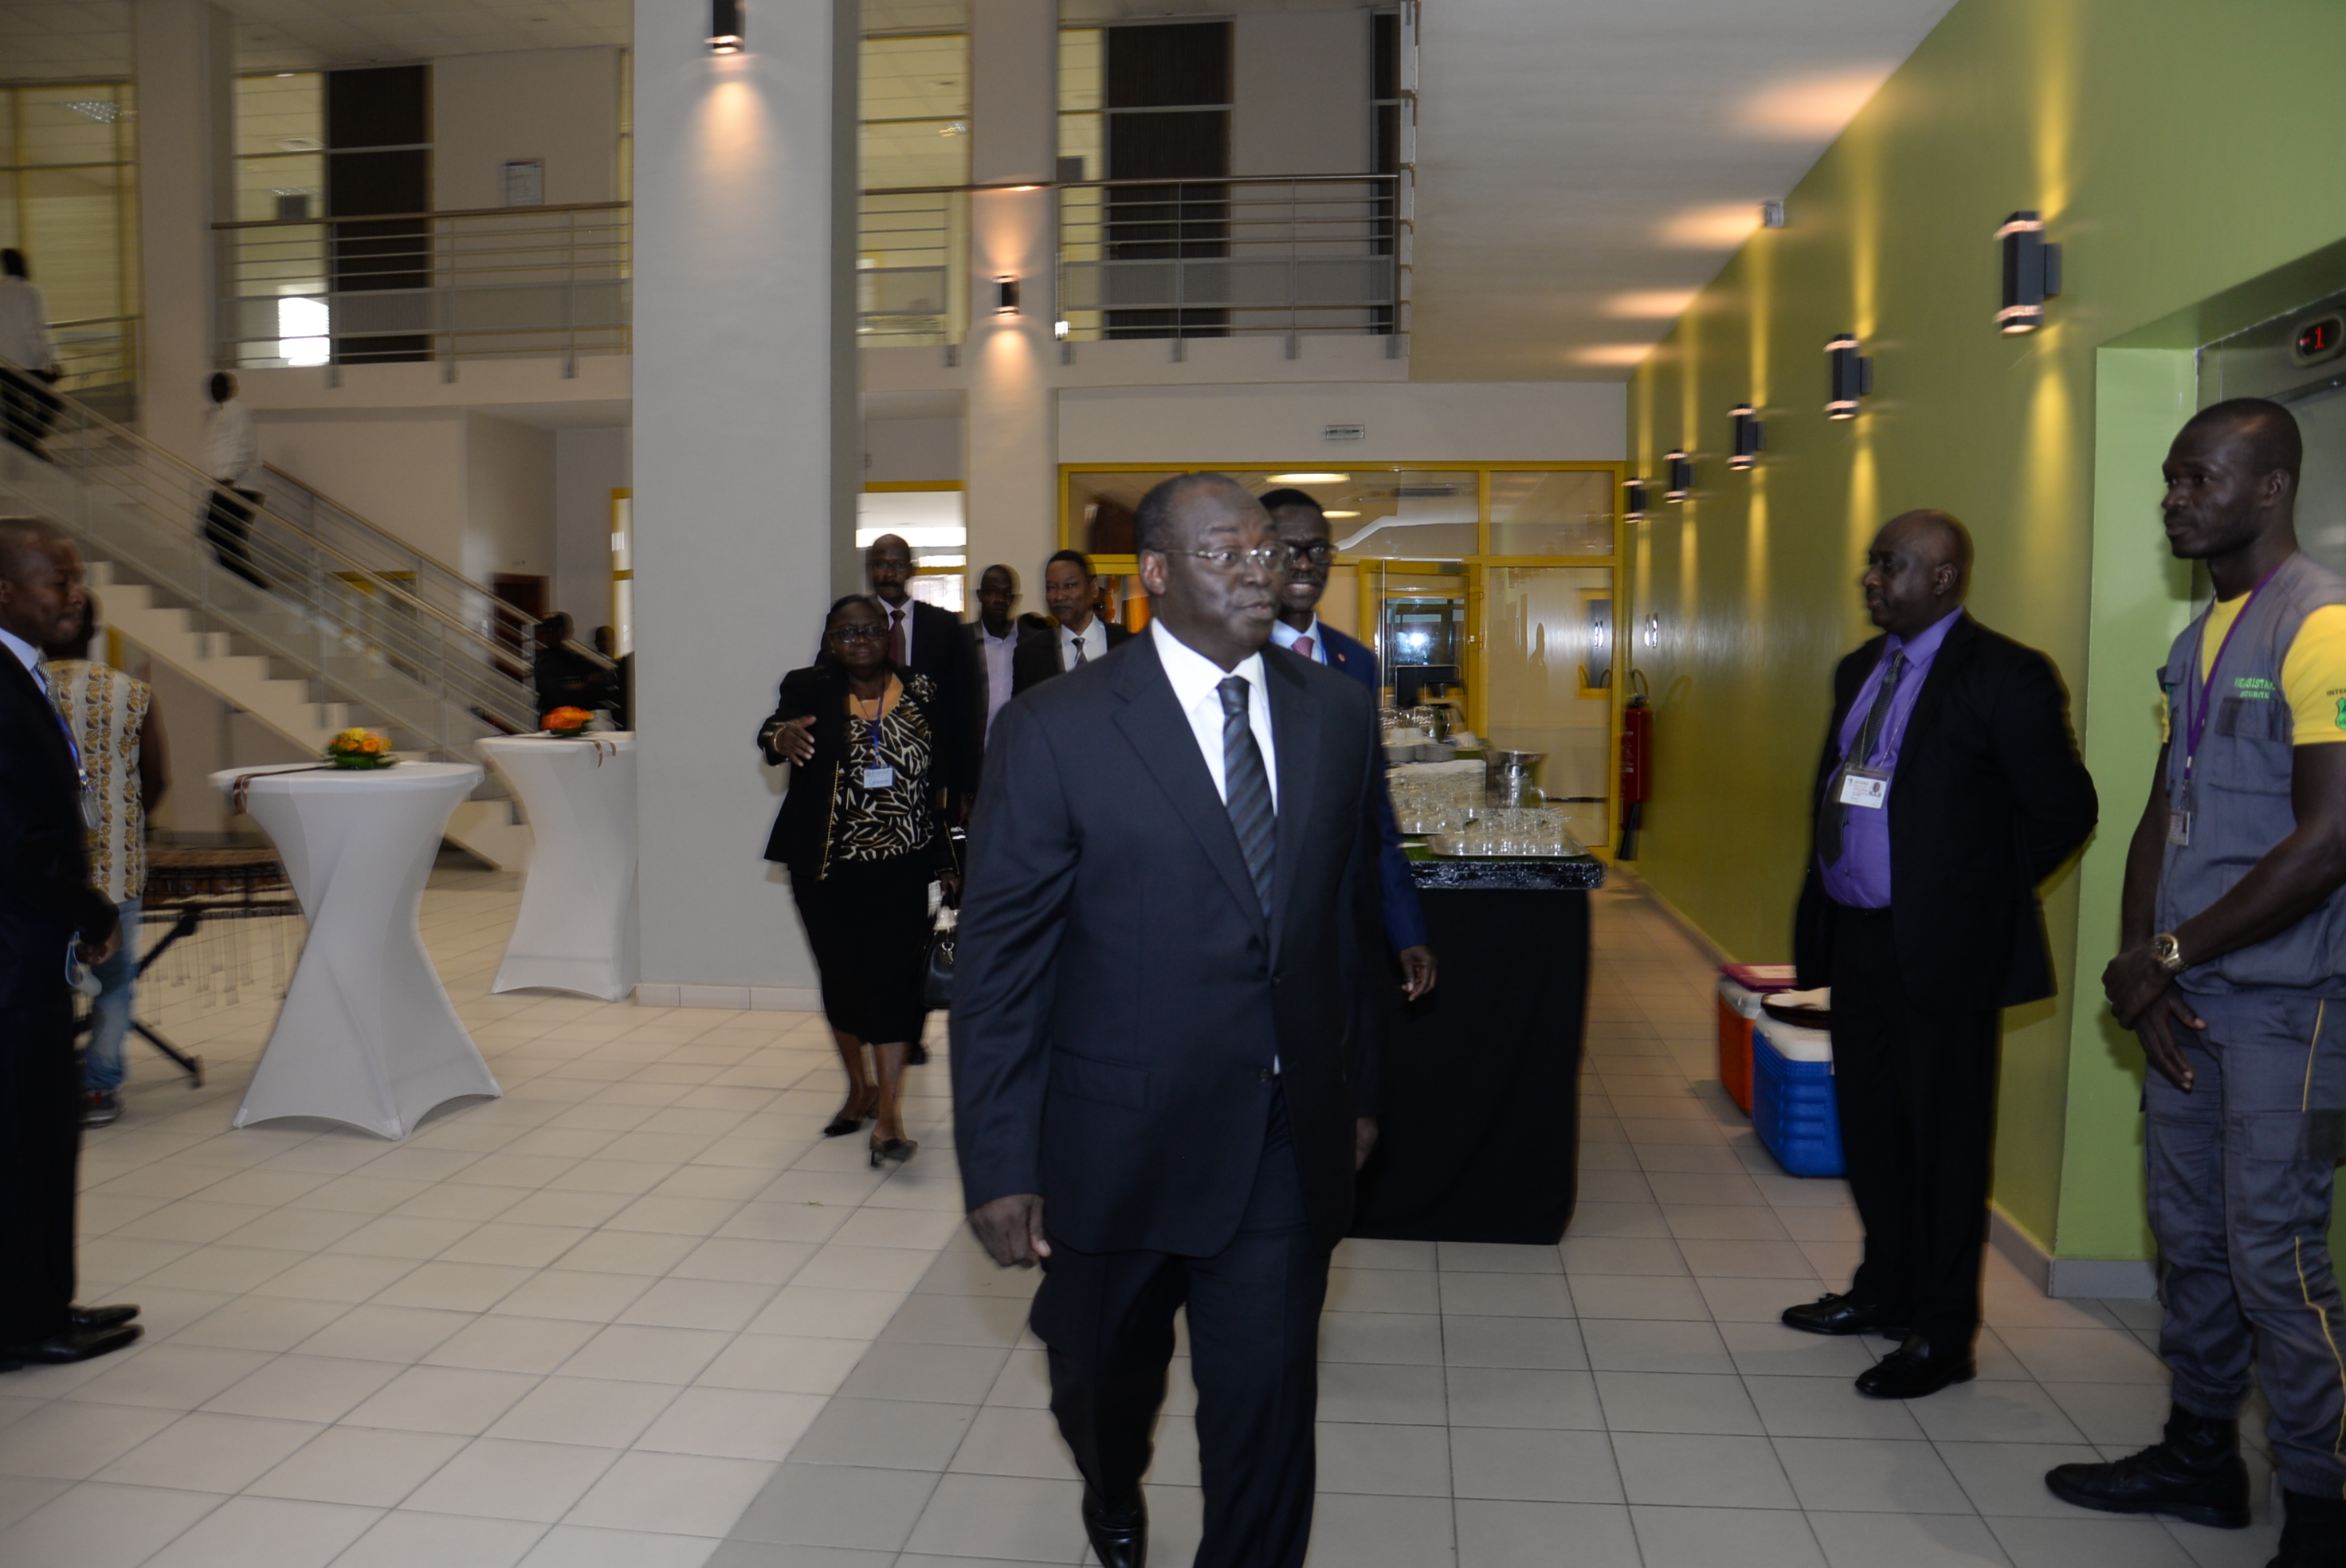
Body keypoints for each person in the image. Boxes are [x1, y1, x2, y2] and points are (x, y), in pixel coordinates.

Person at [953, 473, 1392, 1568]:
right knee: (1102, 1384)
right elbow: (1001, 967)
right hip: (1116, 1144)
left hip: (1279, 1137)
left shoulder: (1335, 711)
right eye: (1224, 553)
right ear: (1154, 573)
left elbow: (1342, 927)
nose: (1259, 571)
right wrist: (1001, 1160)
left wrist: (1357, 1091)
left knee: (1267, 1413)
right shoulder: (1056, 729)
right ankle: (1111, 1487)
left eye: (1266, 551)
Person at [2043, 399, 2346, 1566]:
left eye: (2199, 479)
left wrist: (2169, 954)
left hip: (2288, 1005)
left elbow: (2328, 841)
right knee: (2191, 1244)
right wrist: (2143, 969)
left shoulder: (2320, 624)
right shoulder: (2199, 637)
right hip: (2190, 1001)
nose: (2175, 499)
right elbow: (2161, 814)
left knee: (2276, 1259)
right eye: (2171, 478)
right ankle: (2200, 1457)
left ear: (2271, 487)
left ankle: (2322, 1507)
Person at [1783, 509, 2096, 1399]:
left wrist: (1969, 900)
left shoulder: (2004, 675)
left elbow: (2063, 811)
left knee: (1945, 1144)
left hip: (1943, 951)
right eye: (1873, 564)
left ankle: (1944, 1333)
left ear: (1944, 577)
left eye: (1890, 566)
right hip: (1858, 936)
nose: (1872, 579)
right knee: (1873, 1129)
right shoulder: (1861, 669)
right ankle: (1885, 1288)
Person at [0, 515, 140, 1368]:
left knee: (46, 1135)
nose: (74, 594)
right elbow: (13, 841)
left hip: (27, 948)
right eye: (56, 578)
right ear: (4, 590)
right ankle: (26, 1324)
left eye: (75, 577)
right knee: (26, 1144)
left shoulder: (25, 675)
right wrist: (90, 912)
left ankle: (47, 1301)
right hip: (13, 959)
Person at [761, 594, 960, 1167]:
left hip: (902, 866)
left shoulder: (921, 688)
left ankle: (891, 1118)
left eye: (871, 630)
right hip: (827, 868)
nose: (861, 641)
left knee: (895, 985)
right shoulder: (808, 686)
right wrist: (779, 739)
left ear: (887, 636)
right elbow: (773, 732)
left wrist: (948, 858)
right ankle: (860, 1088)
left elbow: (942, 780)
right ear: (830, 641)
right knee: (843, 981)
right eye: (847, 633)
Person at [1261, 487, 1437, 1002]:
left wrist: (1407, 931)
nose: (1303, 563)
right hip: (1253, 927)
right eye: (1286, 549)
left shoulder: (1356, 662)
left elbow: (1373, 810)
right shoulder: (1228, 659)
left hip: (1340, 925)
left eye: (1317, 549)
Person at [42, 595, 167, 1129]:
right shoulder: (133, 693)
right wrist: (128, 826)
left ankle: (43, 1082)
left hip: (46, 867)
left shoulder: (24, 689)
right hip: (117, 866)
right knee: (115, 980)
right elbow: (157, 778)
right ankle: (99, 1086)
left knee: (43, 979)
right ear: (93, 632)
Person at [865, 533, 979, 816]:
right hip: (866, 766)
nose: (889, 574)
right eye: (880, 564)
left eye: (897, 565)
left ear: (911, 570)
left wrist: (965, 786)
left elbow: (964, 707)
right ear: (870, 569)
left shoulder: (945, 625)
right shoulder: (852, 622)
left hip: (931, 773)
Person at [1012, 547, 1133, 694]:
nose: (1059, 596)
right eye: (1051, 588)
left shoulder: (1129, 645)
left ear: (1094, 588)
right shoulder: (1029, 655)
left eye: (1070, 585)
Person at [200, 372, 269, 589]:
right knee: (217, 537)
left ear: (231, 388)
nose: (213, 391)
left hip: (238, 487)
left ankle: (253, 587)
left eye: (218, 386)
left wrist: (230, 477)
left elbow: (246, 448)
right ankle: (245, 587)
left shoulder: (240, 411)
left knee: (218, 536)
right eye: (211, 387)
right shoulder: (218, 415)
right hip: (225, 486)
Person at [0, 250, 61, 460]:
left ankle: (18, 458)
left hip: (4, 364)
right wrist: (51, 361)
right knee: (52, 403)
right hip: (29, 363)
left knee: (13, 413)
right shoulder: (31, 292)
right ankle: (28, 445)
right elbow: (36, 330)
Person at [968, 563, 1022, 744]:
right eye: (991, 592)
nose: (999, 599)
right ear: (979, 595)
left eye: (1007, 593)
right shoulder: (961, 642)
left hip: (1018, 749)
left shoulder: (1031, 643)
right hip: (973, 752)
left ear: (1014, 599)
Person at [531, 611, 617, 721]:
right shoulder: (544, 661)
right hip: (555, 719)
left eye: (555, 630)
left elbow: (599, 687)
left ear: (565, 631)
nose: (551, 634)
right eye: (548, 631)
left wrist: (580, 685)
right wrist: (582, 685)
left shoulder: (577, 658)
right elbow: (552, 692)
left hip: (579, 717)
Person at [592, 623, 634, 730]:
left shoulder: (622, 664)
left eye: (611, 639)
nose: (607, 643)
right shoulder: (590, 665)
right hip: (604, 716)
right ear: (596, 642)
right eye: (603, 639)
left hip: (624, 714)